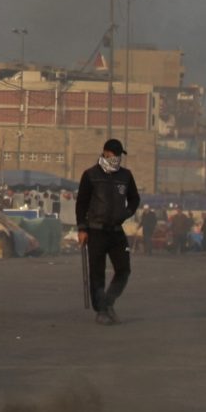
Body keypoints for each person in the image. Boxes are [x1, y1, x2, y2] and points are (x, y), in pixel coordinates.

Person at [74, 138, 141, 325]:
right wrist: (81, 228)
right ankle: (101, 311)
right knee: (97, 273)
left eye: (119, 156)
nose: (116, 159)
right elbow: (81, 204)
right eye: (113, 155)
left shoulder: (125, 176)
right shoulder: (90, 175)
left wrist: (127, 213)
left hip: (116, 231)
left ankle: (108, 301)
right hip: (95, 231)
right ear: (105, 153)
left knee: (124, 269)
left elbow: (135, 199)